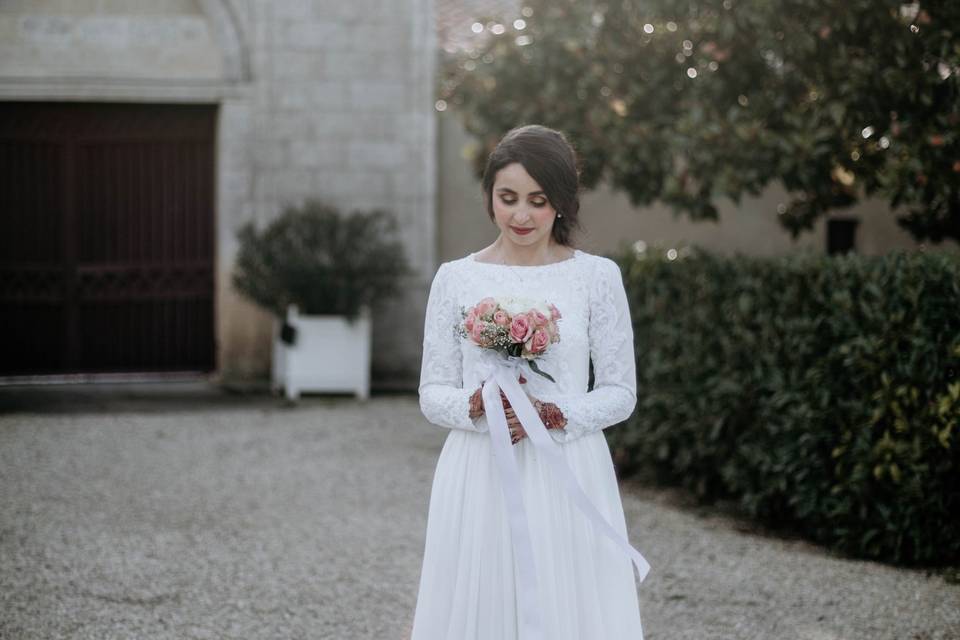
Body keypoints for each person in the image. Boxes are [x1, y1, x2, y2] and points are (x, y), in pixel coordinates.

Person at [411, 124, 646, 639]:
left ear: (561, 202)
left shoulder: (596, 277)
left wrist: (558, 413)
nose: (521, 215)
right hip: (478, 468)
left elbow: (620, 391)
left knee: (569, 607)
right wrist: (477, 405)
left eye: (538, 201)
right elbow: (432, 392)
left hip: (567, 465)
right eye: (508, 198)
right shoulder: (456, 278)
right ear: (490, 196)